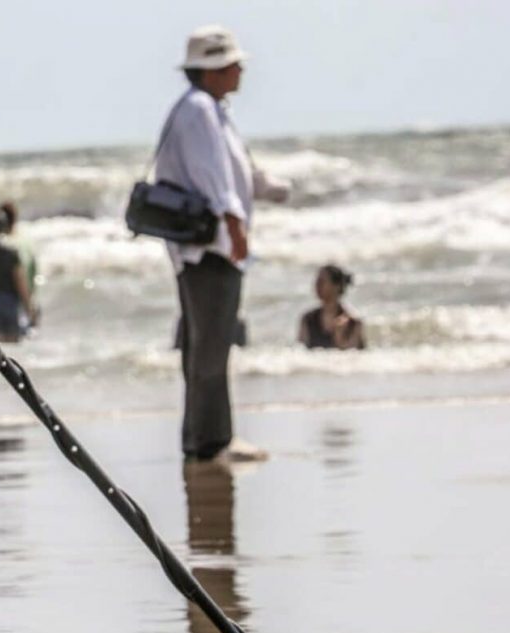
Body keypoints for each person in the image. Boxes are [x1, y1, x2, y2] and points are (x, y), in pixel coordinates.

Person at [154, 25, 288, 463]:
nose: (241, 70)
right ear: (212, 70)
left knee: (203, 344)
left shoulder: (205, 108)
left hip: (203, 247)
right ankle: (212, 442)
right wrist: (235, 225)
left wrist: (269, 189)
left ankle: (202, 438)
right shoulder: (199, 111)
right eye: (233, 64)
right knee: (212, 344)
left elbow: (230, 172)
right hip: (209, 248)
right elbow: (213, 176)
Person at [0, 209, 34, 342]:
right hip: (10, 303)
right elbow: (20, 282)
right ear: (2, 227)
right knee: (13, 344)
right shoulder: (11, 253)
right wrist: (29, 309)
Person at [299, 264, 366, 350]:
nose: (317, 285)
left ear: (337, 286)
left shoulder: (353, 322)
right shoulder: (308, 319)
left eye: (322, 281)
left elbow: (354, 357)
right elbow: (300, 353)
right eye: (317, 281)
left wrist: (339, 338)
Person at [0, 200, 40, 328]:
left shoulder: (2, 245)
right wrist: (30, 302)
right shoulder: (26, 242)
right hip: (27, 300)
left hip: (10, 302)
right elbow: (34, 273)